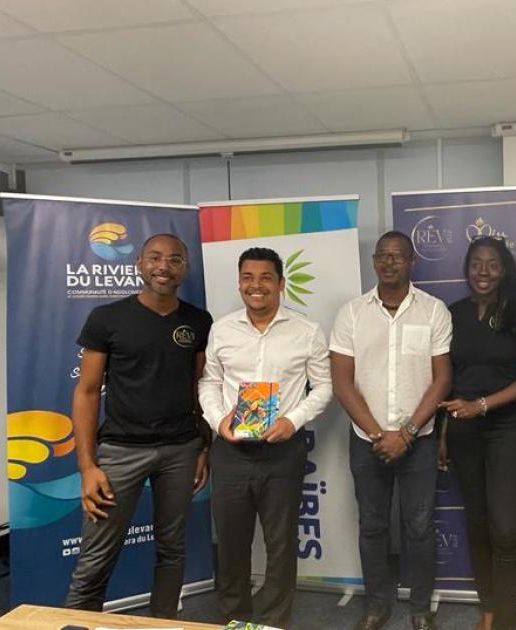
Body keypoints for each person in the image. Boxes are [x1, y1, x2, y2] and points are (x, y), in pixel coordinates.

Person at [64, 233, 213, 618]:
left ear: (185, 268)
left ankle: (163, 623)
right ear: (139, 264)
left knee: (172, 550)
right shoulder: (106, 319)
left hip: (181, 450)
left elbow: (200, 389)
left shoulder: (199, 321)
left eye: (174, 259)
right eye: (155, 258)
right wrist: (87, 466)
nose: (164, 266)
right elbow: (87, 392)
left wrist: (204, 446)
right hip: (120, 452)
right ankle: (79, 625)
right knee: (95, 558)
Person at [199, 247, 332, 627]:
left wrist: (293, 420)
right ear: (239, 282)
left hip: (282, 452)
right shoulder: (222, 329)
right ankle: (235, 619)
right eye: (248, 277)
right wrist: (218, 421)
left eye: (265, 278)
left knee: (281, 543)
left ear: (281, 283)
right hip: (231, 452)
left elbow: (324, 387)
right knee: (231, 543)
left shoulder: (306, 331)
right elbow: (209, 382)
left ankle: (274, 621)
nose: (256, 286)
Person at [330, 231, 453, 630]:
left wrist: (408, 432)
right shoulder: (351, 313)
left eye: (397, 256)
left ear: (411, 261)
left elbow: (442, 378)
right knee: (372, 525)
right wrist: (378, 433)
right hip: (367, 441)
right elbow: (342, 382)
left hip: (419, 441)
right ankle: (376, 605)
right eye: (382, 255)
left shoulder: (433, 311)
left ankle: (420, 608)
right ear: (374, 262)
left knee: (419, 527)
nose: (388, 262)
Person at [437, 237, 516, 630]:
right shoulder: (453, 314)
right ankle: (490, 608)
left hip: (507, 428)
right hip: (462, 431)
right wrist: (443, 435)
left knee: (506, 527)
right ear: (467, 269)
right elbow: (447, 381)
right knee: (477, 523)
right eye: (476, 263)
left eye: (492, 264)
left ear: (504, 269)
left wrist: (481, 405)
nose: (483, 271)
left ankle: (507, 616)